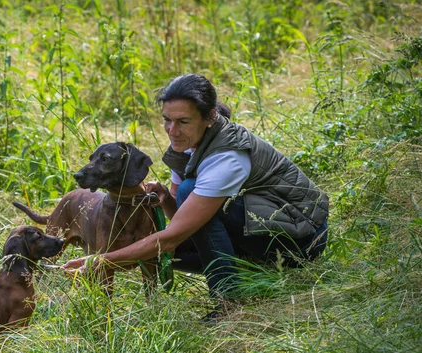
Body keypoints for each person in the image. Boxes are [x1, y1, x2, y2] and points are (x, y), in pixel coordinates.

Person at [63, 74, 329, 322]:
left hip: (300, 241)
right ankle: (249, 271)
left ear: (209, 117)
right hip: (263, 226)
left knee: (177, 215)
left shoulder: (227, 156)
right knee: (166, 253)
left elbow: (173, 235)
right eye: (167, 119)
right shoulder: (186, 143)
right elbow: (180, 216)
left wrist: (101, 260)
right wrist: (166, 197)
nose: (172, 130)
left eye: (183, 121)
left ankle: (227, 301)